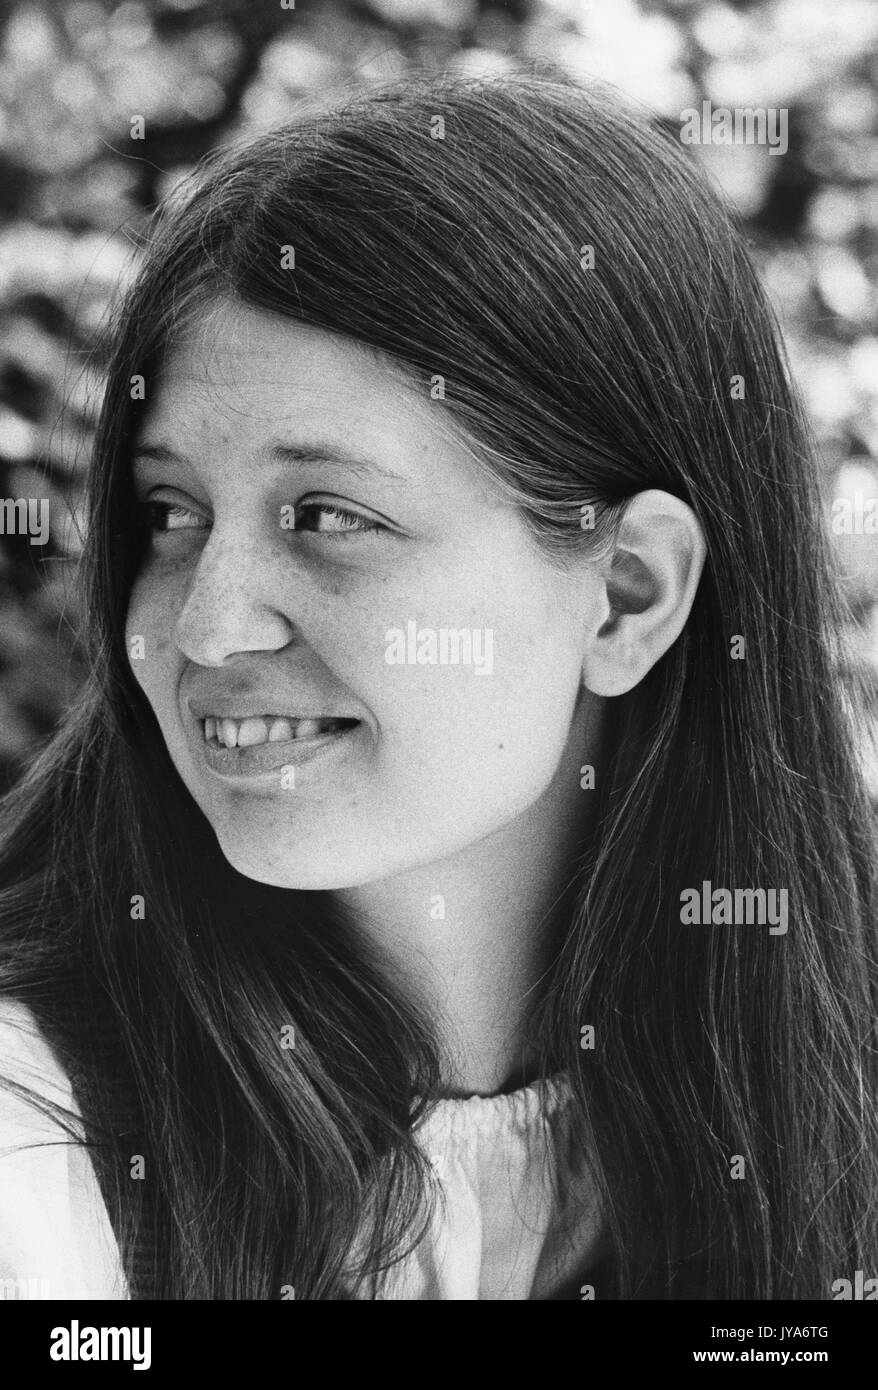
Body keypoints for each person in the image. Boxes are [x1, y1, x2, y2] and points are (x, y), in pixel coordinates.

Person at [0, 69, 875, 1301]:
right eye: (171, 513)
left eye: (326, 515)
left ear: (625, 593)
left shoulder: (832, 1110)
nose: (204, 624)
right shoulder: (32, 1168)